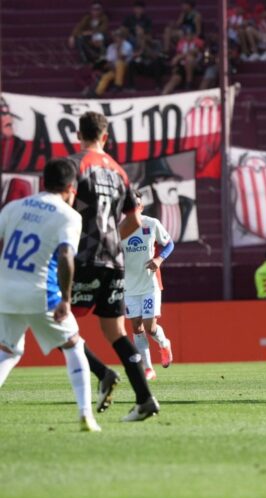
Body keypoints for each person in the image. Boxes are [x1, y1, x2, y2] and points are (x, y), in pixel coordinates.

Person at [69, 111, 160, 421]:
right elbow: (134, 219)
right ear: (105, 137)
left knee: (55, 322)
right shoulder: (119, 172)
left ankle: (103, 373)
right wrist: (112, 238)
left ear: (79, 135)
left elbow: (64, 208)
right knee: (115, 331)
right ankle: (145, 399)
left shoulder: (76, 164)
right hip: (114, 259)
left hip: (83, 257)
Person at [0, 158, 101, 432]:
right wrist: (66, 300)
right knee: (73, 345)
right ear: (71, 187)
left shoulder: (14, 207)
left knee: (7, 351)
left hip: (6, 291)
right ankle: (85, 415)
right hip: (40, 293)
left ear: (43, 181)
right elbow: (66, 256)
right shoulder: (69, 216)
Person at [121, 194, 175, 381]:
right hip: (129, 286)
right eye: (130, 205)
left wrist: (159, 259)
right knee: (136, 327)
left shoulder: (151, 224)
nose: (135, 208)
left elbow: (169, 244)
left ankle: (164, 343)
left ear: (141, 206)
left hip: (149, 283)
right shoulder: (118, 229)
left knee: (149, 327)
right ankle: (148, 368)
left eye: (137, 204)